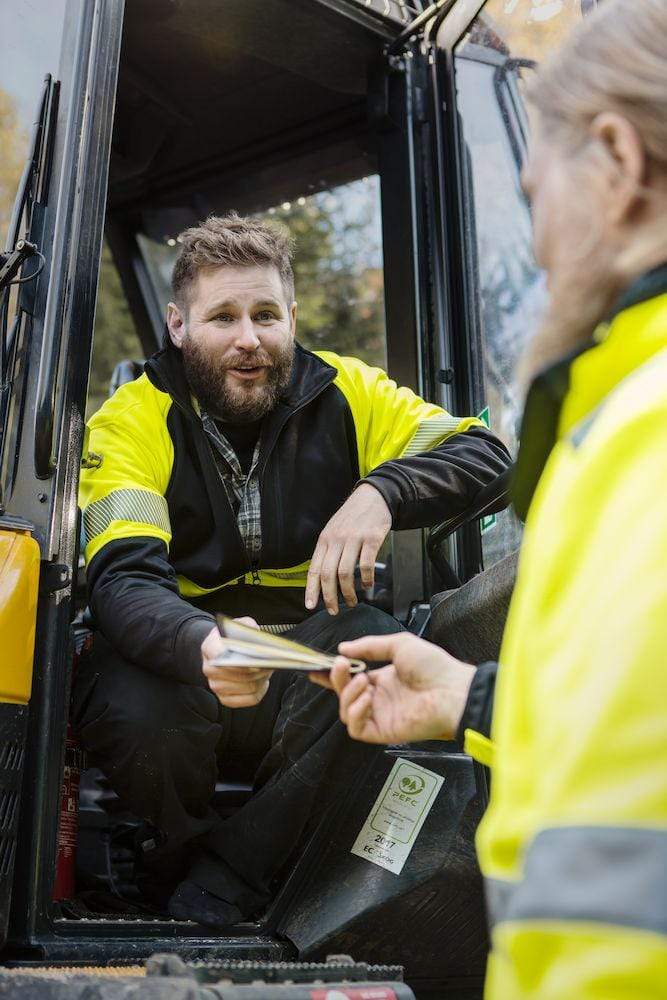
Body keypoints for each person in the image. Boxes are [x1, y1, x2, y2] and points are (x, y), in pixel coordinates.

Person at [316, 2, 667, 996]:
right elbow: (632, 741)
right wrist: (467, 698)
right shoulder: (623, 422)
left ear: (615, 162)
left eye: (534, 188)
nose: (538, 239)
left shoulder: (644, 429)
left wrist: (381, 489)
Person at [74, 212, 510, 927]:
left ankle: (227, 884)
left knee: (370, 644)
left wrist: (382, 491)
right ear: (180, 326)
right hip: (192, 657)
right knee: (128, 693)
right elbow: (124, 579)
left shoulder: (350, 391)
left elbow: (485, 453)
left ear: (292, 319)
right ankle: (170, 877)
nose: (249, 338)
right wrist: (202, 644)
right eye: (223, 317)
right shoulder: (129, 422)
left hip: (305, 661)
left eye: (266, 315)